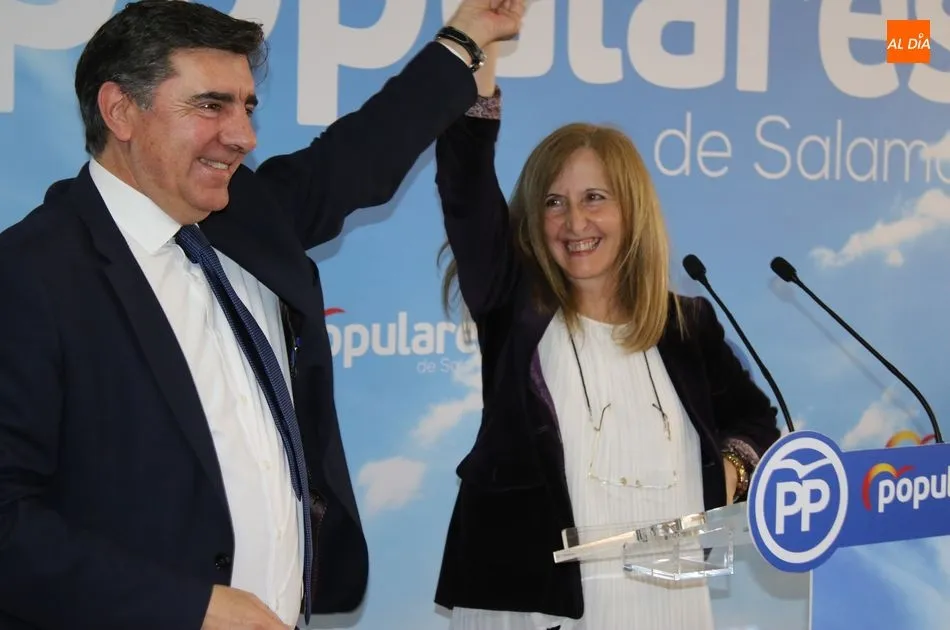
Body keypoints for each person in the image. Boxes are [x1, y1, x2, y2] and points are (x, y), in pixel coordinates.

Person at [0, 1, 524, 629]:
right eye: (210, 105)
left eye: (247, 107)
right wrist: (192, 609)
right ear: (120, 111)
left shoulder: (246, 215)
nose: (243, 136)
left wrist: (467, 36)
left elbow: (366, 151)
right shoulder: (30, 276)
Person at [431, 43, 781, 629]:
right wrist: (477, 58)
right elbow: (465, 187)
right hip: (537, 608)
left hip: (667, 600)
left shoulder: (686, 324)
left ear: (632, 209)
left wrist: (732, 471)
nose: (575, 222)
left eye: (594, 198)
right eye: (554, 203)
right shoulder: (513, 306)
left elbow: (756, 420)